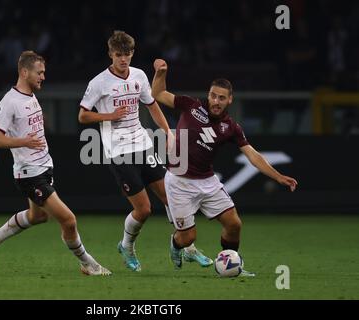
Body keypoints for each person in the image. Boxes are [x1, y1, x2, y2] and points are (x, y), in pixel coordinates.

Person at [78, 31, 211, 272]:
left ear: (132, 54)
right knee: (144, 209)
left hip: (143, 145)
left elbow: (152, 106)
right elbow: (83, 115)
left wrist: (168, 133)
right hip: (118, 151)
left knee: (171, 197)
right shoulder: (99, 83)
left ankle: (187, 248)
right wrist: (109, 115)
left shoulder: (139, 75)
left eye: (127, 54)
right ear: (110, 54)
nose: (123, 59)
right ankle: (126, 246)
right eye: (118, 55)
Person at [151, 58, 298, 276]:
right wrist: (160, 73)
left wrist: (277, 176)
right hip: (179, 181)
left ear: (230, 100)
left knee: (234, 224)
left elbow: (252, 155)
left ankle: (232, 265)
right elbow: (158, 94)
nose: (216, 101)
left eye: (221, 97)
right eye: (213, 96)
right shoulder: (191, 106)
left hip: (207, 181)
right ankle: (175, 244)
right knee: (187, 238)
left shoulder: (231, 128)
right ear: (208, 95)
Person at [0, 50, 111, 276]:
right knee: (69, 221)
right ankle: (88, 264)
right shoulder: (9, 101)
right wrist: (24, 141)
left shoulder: (30, 96)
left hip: (43, 168)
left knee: (37, 216)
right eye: (39, 73)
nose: (43, 77)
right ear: (24, 72)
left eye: (43, 73)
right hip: (30, 174)